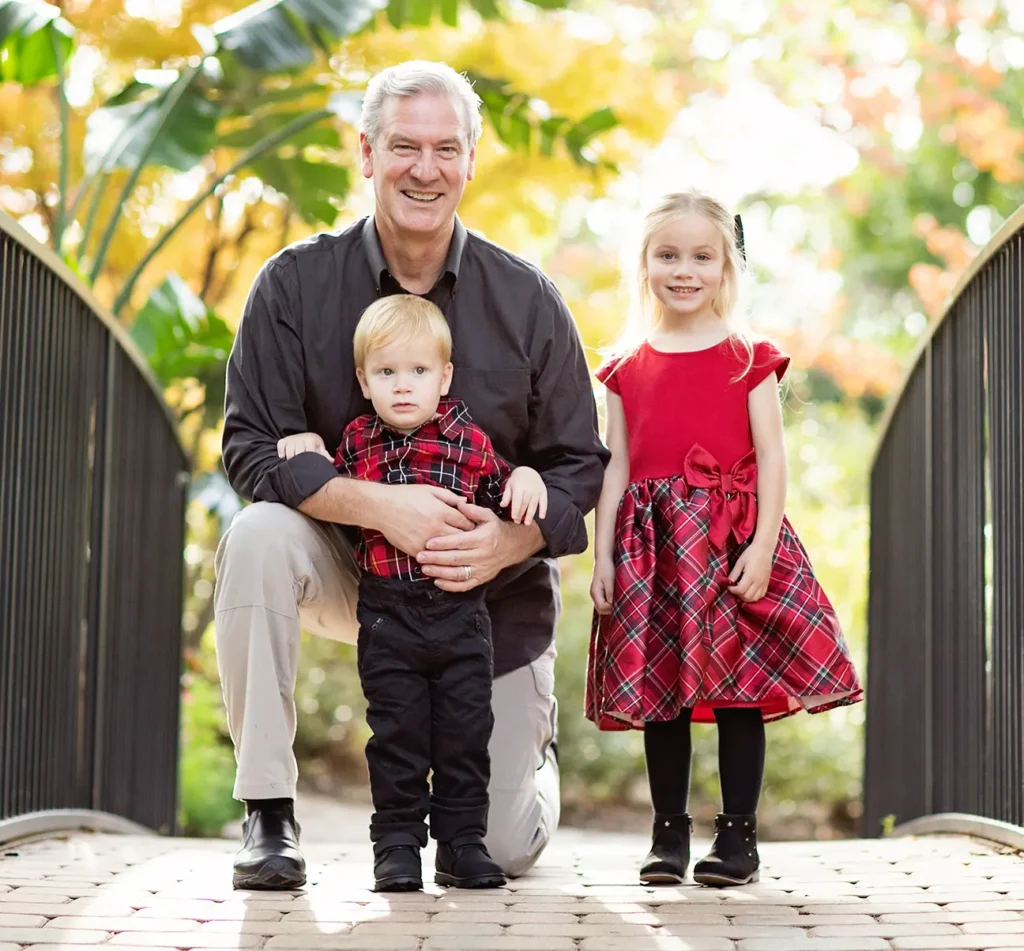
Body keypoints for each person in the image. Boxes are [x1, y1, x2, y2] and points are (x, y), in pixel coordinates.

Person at [215, 59, 608, 891]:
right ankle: (267, 811)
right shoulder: (292, 286)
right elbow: (250, 447)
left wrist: (507, 542)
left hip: (488, 599)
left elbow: (579, 467)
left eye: (444, 149)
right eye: (402, 146)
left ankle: (530, 749)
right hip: (354, 568)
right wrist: (376, 506)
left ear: (471, 158)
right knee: (256, 536)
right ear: (365, 153)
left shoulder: (529, 301)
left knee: (499, 848)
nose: (423, 170)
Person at [586, 190, 863, 889]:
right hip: (652, 547)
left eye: (701, 256)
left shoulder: (750, 356)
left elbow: (772, 455)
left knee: (740, 691)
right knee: (663, 693)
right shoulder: (625, 364)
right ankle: (667, 834)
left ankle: (738, 837)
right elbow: (614, 460)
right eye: (668, 255)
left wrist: (764, 545)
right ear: (643, 264)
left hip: (732, 537)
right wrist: (604, 553)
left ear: (727, 266)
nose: (684, 270)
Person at [277, 294, 547, 892]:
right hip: (386, 616)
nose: (403, 386)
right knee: (396, 734)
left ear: (444, 376)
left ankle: (462, 844)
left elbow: (508, 489)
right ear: (364, 381)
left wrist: (527, 476)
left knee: (464, 732)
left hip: (460, 614)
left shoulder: (468, 440)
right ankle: (396, 846)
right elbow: (324, 482)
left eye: (419, 371)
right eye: (387, 372)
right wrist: (304, 446)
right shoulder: (354, 441)